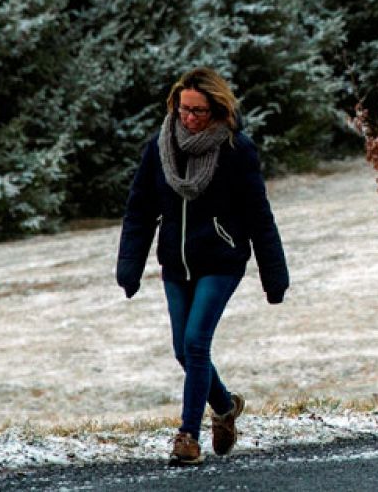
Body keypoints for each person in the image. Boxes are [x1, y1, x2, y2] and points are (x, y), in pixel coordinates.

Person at [117, 67, 290, 466]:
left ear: (216, 108)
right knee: (183, 349)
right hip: (176, 265)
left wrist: (273, 274)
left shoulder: (236, 150)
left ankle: (187, 436)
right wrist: (129, 264)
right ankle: (226, 407)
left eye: (198, 111)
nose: (189, 118)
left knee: (196, 342)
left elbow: (258, 215)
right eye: (183, 110)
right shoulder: (159, 148)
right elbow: (139, 210)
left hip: (221, 261)